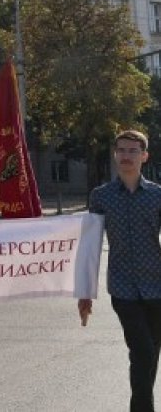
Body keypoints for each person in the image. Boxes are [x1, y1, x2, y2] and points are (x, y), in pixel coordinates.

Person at [79, 129, 161, 412]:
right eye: (121, 150)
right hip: (123, 289)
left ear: (144, 156)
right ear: (115, 155)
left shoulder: (157, 196)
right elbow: (90, 246)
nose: (126, 156)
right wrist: (85, 292)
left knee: (150, 356)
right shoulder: (101, 196)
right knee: (143, 351)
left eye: (133, 151)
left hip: (157, 288)